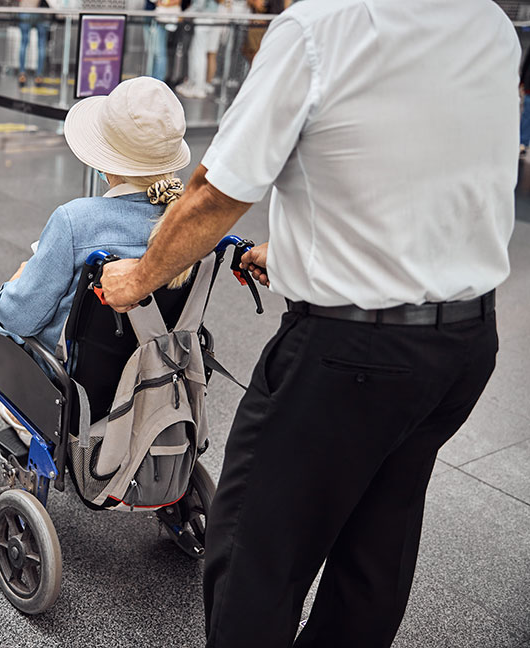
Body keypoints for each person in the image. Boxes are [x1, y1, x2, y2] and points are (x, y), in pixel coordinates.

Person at [99, 1, 519, 646]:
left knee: (257, 553)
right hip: (464, 342)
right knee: (377, 547)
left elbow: (216, 193)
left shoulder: (319, 26)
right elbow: (421, 159)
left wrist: (137, 279)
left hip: (350, 358)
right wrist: (297, 253)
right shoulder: (486, 19)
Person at [0, 77, 192, 453]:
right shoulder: (187, 225)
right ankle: (21, 418)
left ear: (107, 160)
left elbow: (18, 319)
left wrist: (18, 281)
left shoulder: (76, 220)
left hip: (66, 381)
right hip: (147, 375)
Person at [18, 0, 50, 86]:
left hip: (25, 9)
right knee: (41, 44)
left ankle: (22, 74)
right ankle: (39, 75)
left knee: (23, 43)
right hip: (39, 10)